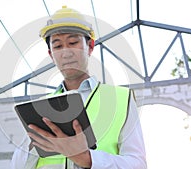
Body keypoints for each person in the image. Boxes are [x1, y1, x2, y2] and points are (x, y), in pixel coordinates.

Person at [11, 5, 147, 169]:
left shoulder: (121, 99)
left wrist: (88, 159)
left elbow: (137, 164)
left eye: (73, 42)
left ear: (90, 47)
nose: (66, 52)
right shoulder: (39, 107)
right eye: (58, 46)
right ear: (51, 55)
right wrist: (34, 140)